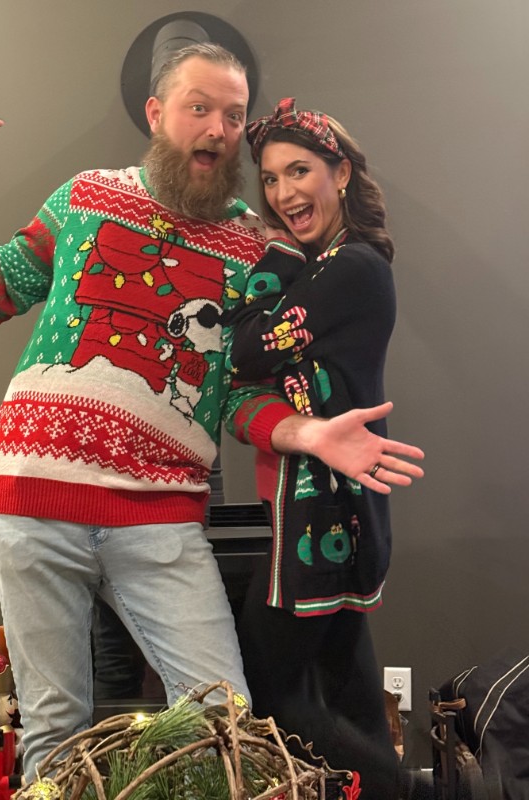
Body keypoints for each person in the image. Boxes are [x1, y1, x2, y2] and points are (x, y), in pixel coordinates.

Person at [0, 48, 423, 782]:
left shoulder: (256, 246)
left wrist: (310, 433)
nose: (219, 128)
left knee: (226, 723)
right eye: (200, 107)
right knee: (56, 731)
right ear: (157, 114)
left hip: (159, 517)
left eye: (234, 114)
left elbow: (240, 392)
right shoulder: (85, 195)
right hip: (31, 501)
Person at [223, 97, 413, 798]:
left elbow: (245, 348)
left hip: (317, 510)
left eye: (299, 171)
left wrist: (272, 251)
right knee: (351, 697)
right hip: (334, 505)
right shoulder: (328, 265)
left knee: (269, 694)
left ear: (340, 172)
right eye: (271, 179)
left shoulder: (349, 266)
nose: (282, 193)